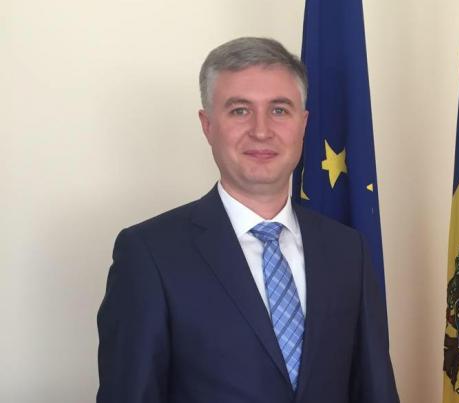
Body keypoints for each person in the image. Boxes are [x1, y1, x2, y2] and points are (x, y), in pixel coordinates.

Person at [97, 37, 399, 403]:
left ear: (303, 124)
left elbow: (375, 391)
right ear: (207, 125)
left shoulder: (347, 250)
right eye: (240, 110)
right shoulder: (149, 255)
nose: (261, 131)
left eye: (279, 110)